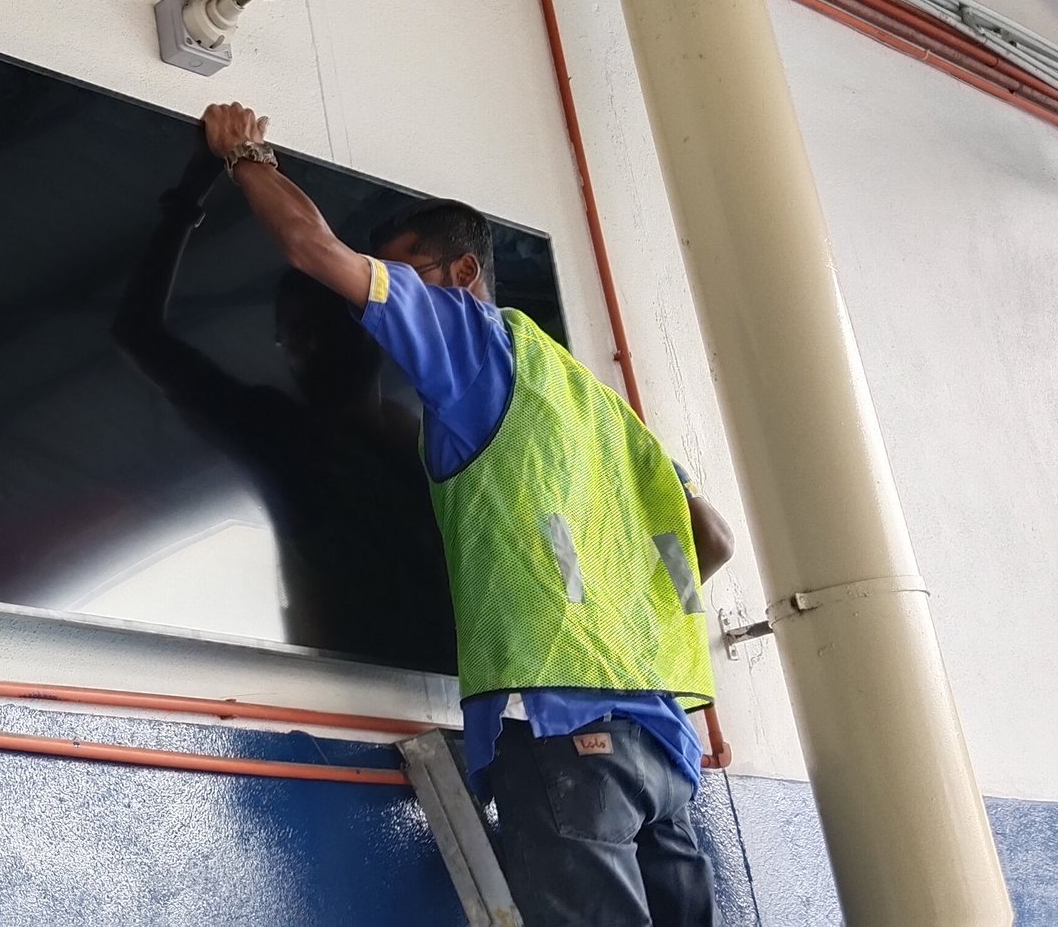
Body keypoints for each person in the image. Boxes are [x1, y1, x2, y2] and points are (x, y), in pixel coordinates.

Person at [203, 101, 734, 925]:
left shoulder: (476, 344)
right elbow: (713, 541)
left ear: (457, 276)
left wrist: (245, 156)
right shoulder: (596, 402)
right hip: (663, 737)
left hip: (562, 726)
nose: (378, 303)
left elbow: (313, 250)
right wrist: (613, 608)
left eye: (403, 270)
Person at [110, 148, 456, 671]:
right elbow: (137, 332)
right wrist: (186, 199)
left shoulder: (431, 443)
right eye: (298, 332)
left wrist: (191, 194)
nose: (314, 343)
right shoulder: (285, 436)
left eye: (325, 324)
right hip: (358, 691)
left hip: (462, 693)